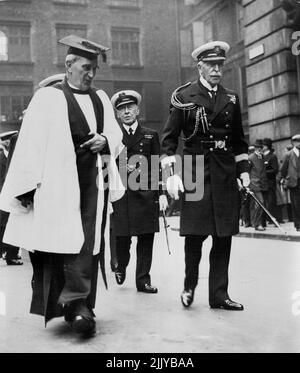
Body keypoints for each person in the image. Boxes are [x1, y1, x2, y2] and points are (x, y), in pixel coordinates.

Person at [0, 35, 124, 335]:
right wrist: (26, 188)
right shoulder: (48, 98)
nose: (91, 74)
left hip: (92, 183)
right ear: (69, 65)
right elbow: (30, 144)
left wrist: (106, 140)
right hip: (56, 185)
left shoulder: (101, 99)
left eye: (94, 68)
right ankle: (67, 304)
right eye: (85, 67)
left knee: (86, 243)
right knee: (57, 245)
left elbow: (115, 134)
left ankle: (81, 304)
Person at [161, 41, 250, 310]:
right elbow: (168, 139)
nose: (216, 70)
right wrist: (171, 174)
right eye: (211, 65)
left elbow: (238, 141)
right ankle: (189, 286)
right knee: (195, 235)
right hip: (194, 170)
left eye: (220, 65)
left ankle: (219, 295)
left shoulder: (231, 98)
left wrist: (243, 172)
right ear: (199, 66)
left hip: (223, 171)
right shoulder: (184, 96)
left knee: (223, 237)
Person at [110, 90, 168, 293]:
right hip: (122, 196)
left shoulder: (150, 135)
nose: (126, 112)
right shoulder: (113, 136)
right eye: (121, 109)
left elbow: (156, 166)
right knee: (122, 238)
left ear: (137, 110)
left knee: (146, 238)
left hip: (145, 195)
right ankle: (121, 266)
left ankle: (143, 280)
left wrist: (161, 193)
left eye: (129, 108)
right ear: (117, 114)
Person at [0, 131, 22, 265]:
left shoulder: (17, 158)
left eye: (10, 140)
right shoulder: (1, 158)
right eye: (5, 140)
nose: (8, 143)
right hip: (2, 196)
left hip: (13, 196)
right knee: (2, 225)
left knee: (14, 224)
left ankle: (11, 254)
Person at [280, 134, 300, 231]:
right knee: (296, 204)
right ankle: (298, 225)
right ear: (294, 143)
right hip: (294, 183)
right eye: (297, 141)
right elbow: (283, 169)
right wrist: (286, 178)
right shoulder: (288, 155)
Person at [248, 139, 269, 231]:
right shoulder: (251, 157)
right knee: (260, 202)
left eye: (261, 147)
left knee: (260, 204)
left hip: (263, 184)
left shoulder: (263, 157)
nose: (260, 149)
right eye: (258, 147)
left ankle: (258, 223)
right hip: (254, 184)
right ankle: (257, 224)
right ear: (255, 148)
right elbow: (248, 171)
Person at [262, 138, 279, 225]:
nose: (262, 147)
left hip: (270, 182)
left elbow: (275, 169)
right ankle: (266, 219)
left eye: (264, 145)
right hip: (263, 183)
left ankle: (274, 219)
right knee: (264, 202)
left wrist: (264, 173)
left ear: (267, 146)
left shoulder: (272, 156)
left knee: (271, 201)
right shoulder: (261, 156)